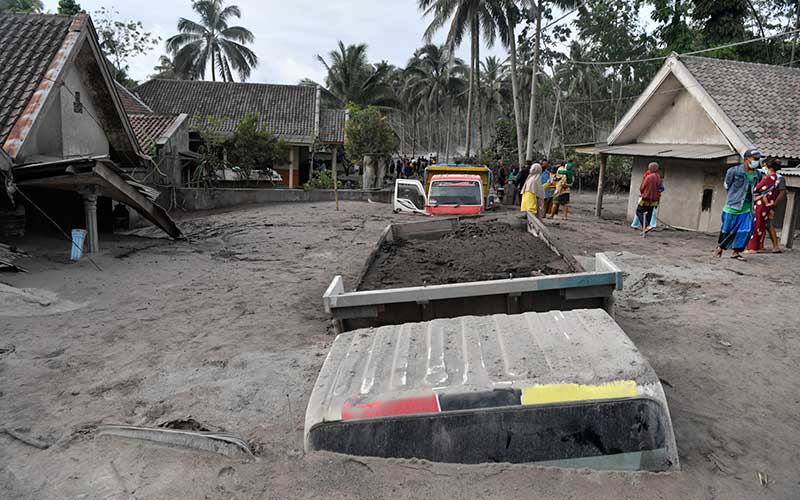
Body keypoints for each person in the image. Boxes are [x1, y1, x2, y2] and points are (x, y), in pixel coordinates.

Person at [714, 149, 764, 261]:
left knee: (745, 230)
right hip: (733, 206)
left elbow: (757, 190)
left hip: (747, 207)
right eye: (754, 159)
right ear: (746, 159)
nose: (756, 161)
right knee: (727, 230)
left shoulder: (758, 174)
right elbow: (727, 185)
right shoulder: (734, 171)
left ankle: (736, 252)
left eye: (758, 159)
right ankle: (720, 248)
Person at [745, 160, 781, 254]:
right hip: (767, 205)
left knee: (756, 225)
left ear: (770, 168)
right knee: (762, 226)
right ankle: (759, 246)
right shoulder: (777, 179)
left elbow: (757, 189)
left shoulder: (768, 178)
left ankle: (752, 248)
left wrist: (759, 195)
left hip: (761, 204)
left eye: (765, 167)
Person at [766, 160, 787, 253]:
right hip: (765, 203)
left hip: (771, 204)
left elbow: (782, 192)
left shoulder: (779, 178)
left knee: (770, 225)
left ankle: (776, 246)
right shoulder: (767, 176)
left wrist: (774, 204)